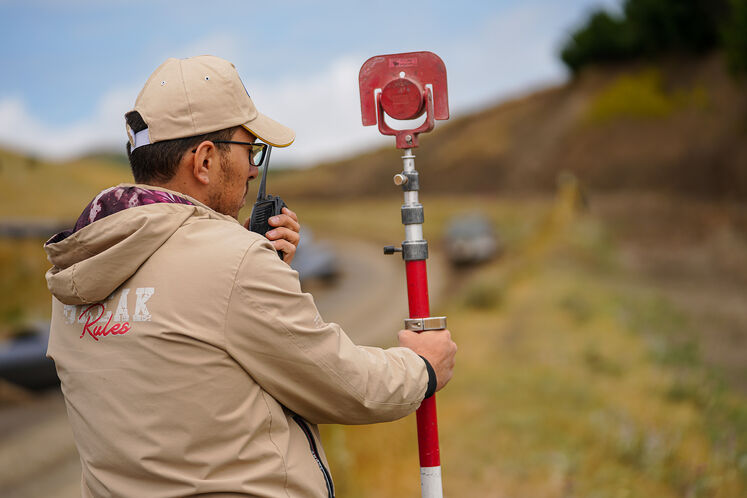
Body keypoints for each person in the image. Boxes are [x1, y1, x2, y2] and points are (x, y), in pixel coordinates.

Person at [44, 55, 456, 498]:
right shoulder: (234, 263)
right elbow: (348, 385)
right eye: (250, 150)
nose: (255, 168)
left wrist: (261, 267)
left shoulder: (79, 267)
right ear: (204, 161)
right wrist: (422, 366)